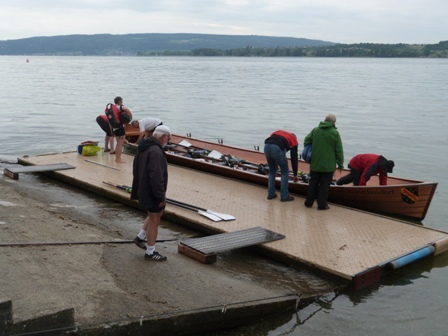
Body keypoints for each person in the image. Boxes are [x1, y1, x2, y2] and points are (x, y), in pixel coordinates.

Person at [131, 125, 171, 261]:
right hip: (152, 191)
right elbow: (156, 176)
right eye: (168, 138)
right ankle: (150, 252)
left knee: (155, 214)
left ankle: (140, 237)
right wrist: (161, 196)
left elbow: (135, 167)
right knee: (155, 219)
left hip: (144, 188)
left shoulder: (144, 147)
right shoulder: (156, 151)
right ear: (164, 137)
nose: (168, 141)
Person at [304, 114, 344, 210]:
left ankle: (308, 203)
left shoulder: (315, 130)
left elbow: (306, 141)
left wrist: (312, 148)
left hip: (315, 164)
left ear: (325, 120)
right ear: (333, 122)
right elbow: (339, 150)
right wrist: (340, 164)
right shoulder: (335, 133)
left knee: (313, 184)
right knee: (324, 186)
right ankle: (321, 205)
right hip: (328, 166)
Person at [264, 130, 299, 202]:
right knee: (285, 171)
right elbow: (294, 158)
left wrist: (276, 161)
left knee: (272, 170)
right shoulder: (293, 139)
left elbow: (272, 143)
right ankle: (284, 196)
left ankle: (270, 194)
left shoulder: (278, 132)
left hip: (266, 146)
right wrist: (295, 174)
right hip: (277, 148)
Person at [109, 96, 132, 163]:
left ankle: (117, 158)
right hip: (120, 128)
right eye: (122, 101)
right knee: (120, 144)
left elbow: (109, 121)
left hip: (115, 128)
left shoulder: (112, 109)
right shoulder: (119, 107)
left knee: (118, 143)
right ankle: (118, 159)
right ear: (120, 101)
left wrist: (111, 130)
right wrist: (131, 116)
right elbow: (126, 109)